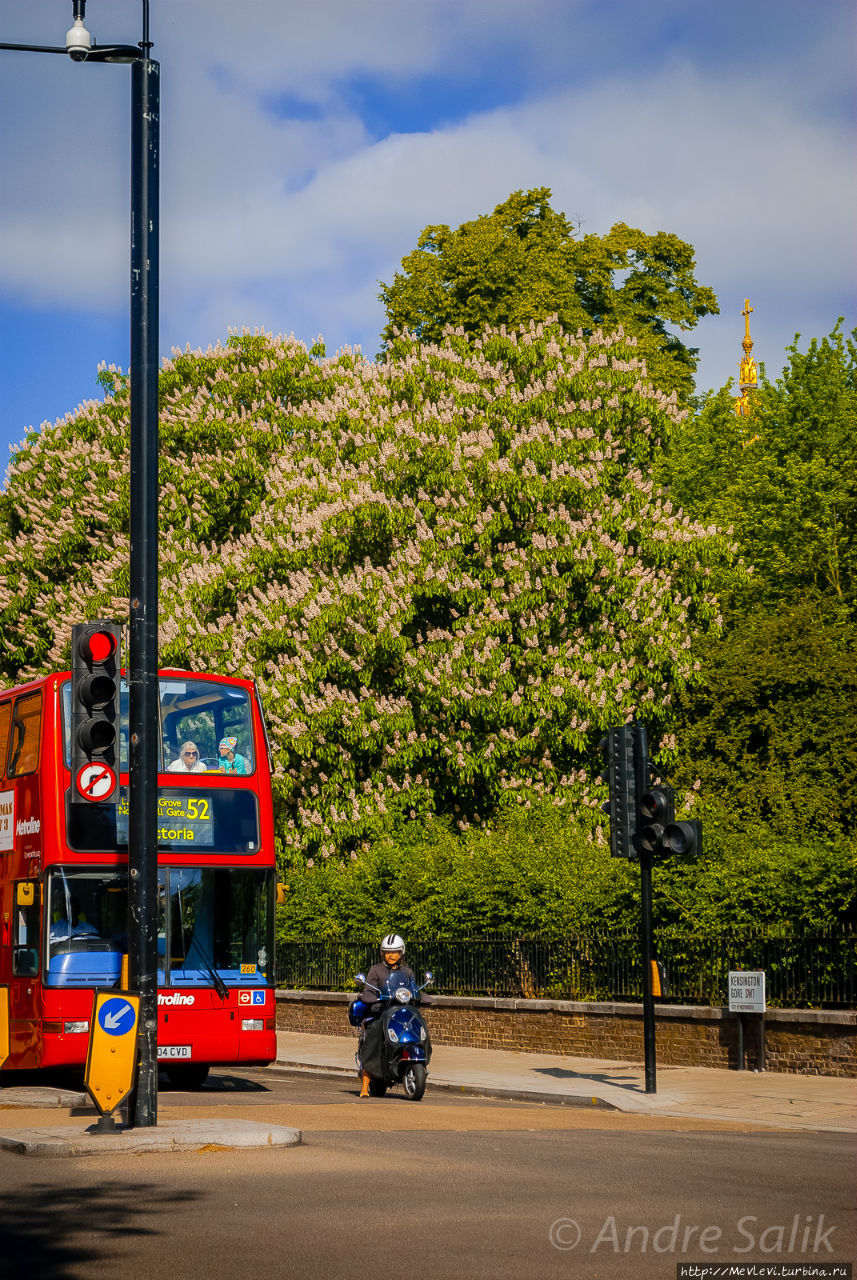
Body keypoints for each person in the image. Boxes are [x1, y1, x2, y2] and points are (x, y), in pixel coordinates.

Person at [357, 933, 419, 1098]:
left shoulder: (407, 971)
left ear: (401, 953)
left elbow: (414, 988)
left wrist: (420, 995)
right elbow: (368, 990)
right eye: (387, 952)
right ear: (382, 953)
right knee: (373, 1039)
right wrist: (370, 996)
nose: (391, 955)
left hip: (401, 1011)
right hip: (381, 1012)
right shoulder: (375, 970)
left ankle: (419, 1064)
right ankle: (365, 1086)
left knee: (418, 1026)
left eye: (395, 952)